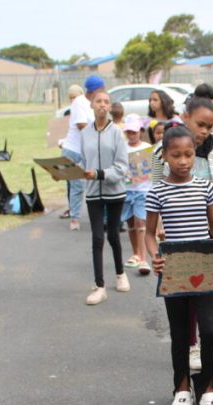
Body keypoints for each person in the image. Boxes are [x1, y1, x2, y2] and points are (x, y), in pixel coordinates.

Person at [145, 125, 213, 405]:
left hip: (204, 269)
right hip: (175, 271)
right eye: (176, 155)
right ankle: (181, 386)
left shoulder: (206, 188)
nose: (183, 161)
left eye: (189, 154)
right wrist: (154, 256)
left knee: (209, 329)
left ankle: (207, 387)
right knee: (180, 332)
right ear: (164, 155)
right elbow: (150, 234)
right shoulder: (157, 192)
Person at [177, 97, 213, 376]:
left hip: (212, 230)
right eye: (200, 124)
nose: (204, 132)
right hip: (179, 232)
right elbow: (156, 187)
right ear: (185, 117)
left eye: (209, 127)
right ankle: (191, 345)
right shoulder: (168, 147)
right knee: (186, 293)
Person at [80, 90, 129, 305]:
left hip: (114, 191)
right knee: (97, 237)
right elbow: (83, 162)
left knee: (113, 236)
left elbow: (122, 168)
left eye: (106, 102)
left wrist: (100, 174)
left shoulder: (117, 133)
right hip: (93, 193)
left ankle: (120, 273)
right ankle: (100, 286)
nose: (102, 105)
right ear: (91, 105)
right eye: (98, 101)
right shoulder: (85, 133)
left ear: (110, 107)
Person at [60, 76, 101, 231]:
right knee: (77, 185)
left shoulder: (98, 103)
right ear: (93, 89)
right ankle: (75, 218)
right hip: (75, 150)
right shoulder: (79, 102)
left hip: (90, 150)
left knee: (97, 183)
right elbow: (81, 125)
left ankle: (100, 218)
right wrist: (100, 133)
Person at [121, 114, 152, 275]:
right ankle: (136, 253)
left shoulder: (146, 148)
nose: (131, 135)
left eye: (134, 132)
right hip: (127, 190)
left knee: (141, 223)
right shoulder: (122, 148)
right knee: (131, 224)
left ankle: (143, 258)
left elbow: (153, 170)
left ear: (140, 130)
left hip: (143, 189)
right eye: (129, 132)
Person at [58, 84, 85, 220]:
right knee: (72, 183)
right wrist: (61, 142)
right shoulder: (69, 113)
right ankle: (73, 213)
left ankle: (76, 213)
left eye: (75, 97)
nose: (74, 100)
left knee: (80, 184)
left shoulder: (86, 109)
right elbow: (64, 132)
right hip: (71, 150)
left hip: (84, 151)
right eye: (71, 98)